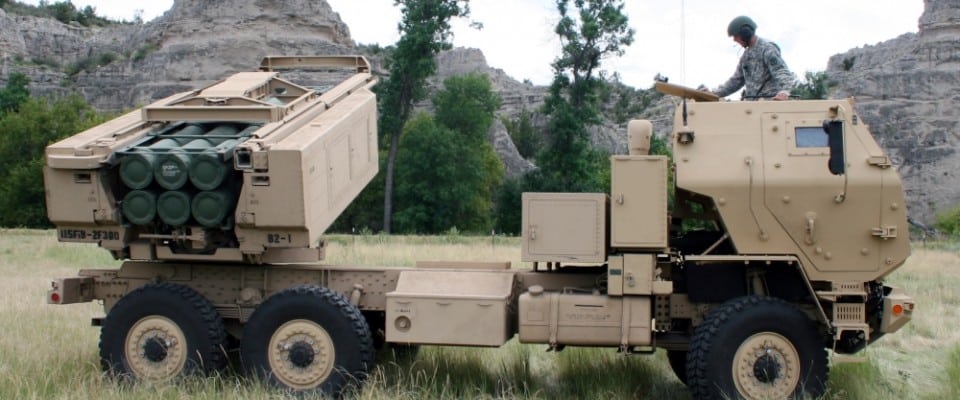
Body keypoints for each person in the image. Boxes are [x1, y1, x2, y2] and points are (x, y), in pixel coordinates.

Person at [709, 16, 795, 101]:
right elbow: (736, 81)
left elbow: (781, 71)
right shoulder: (746, 56)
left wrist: (784, 91)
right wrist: (712, 94)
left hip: (769, 104)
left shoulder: (767, 49)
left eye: (736, 36)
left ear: (745, 33)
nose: (734, 40)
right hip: (752, 105)